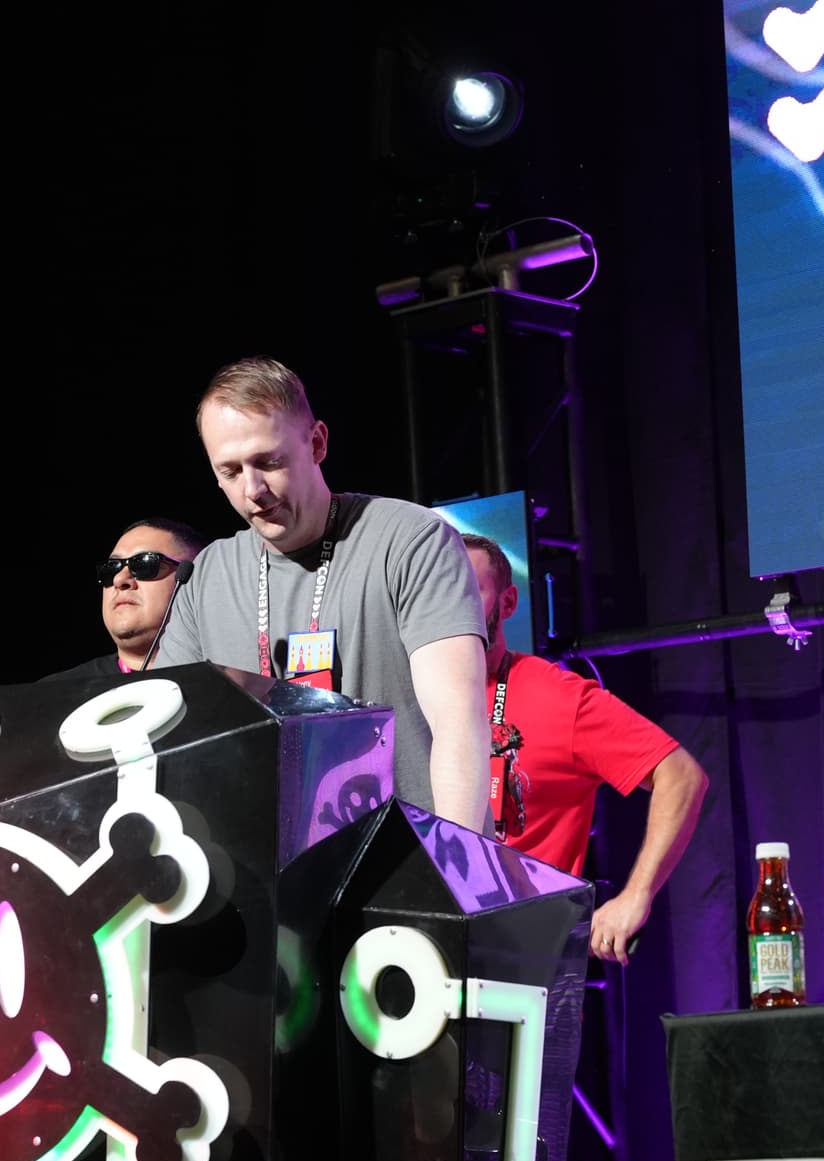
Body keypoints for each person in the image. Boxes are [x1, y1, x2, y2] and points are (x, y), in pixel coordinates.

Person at [152, 356, 490, 830]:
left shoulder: (410, 539)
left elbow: (459, 724)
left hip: (403, 864)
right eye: (229, 471)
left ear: (316, 443)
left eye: (268, 462)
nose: (253, 490)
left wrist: (462, 872)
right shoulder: (207, 575)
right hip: (264, 875)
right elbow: (168, 739)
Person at [462, 533, 708, 964]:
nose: (451, 606)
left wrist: (636, 896)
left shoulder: (555, 696)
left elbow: (681, 775)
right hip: (418, 962)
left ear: (507, 602)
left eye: (470, 591)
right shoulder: (405, 694)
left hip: (524, 969)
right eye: (439, 590)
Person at [45, 518, 208, 679]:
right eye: (111, 569)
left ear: (195, 580)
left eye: (145, 564)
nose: (119, 580)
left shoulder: (228, 683)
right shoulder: (51, 695)